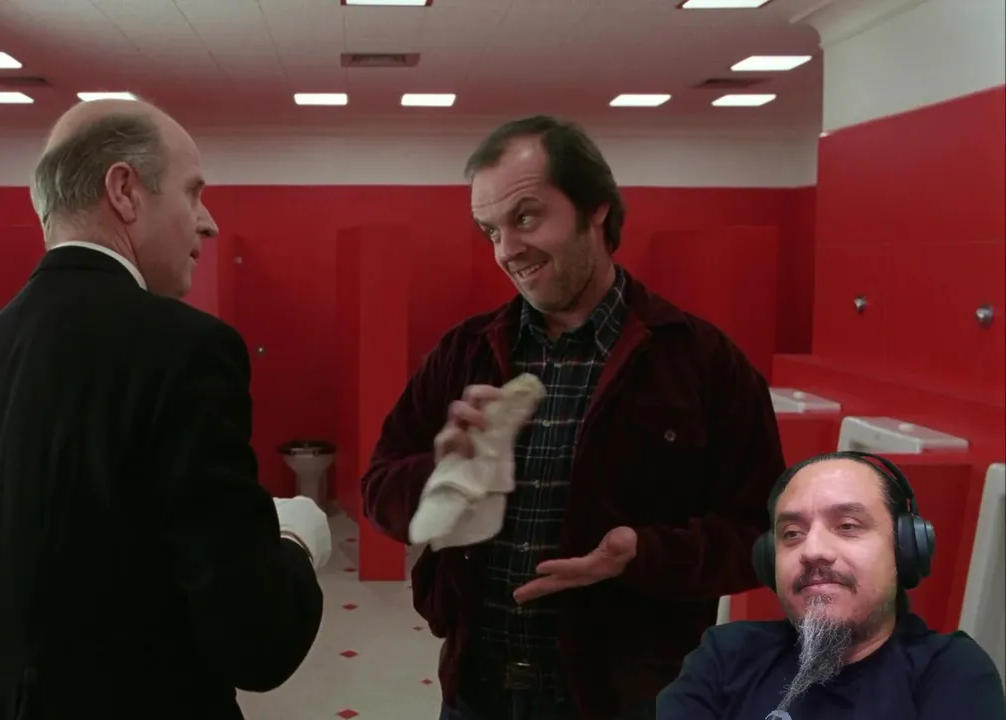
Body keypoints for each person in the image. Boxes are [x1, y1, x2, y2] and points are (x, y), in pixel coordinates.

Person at [0, 98, 331, 720]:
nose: (208, 223)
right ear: (125, 191)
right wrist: (296, 540)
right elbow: (258, 642)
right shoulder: (186, 352)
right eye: (193, 192)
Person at [360, 115, 786, 720]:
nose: (506, 249)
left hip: (630, 697)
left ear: (596, 209)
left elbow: (764, 534)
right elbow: (377, 486)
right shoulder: (465, 351)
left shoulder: (700, 361)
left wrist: (642, 553)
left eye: (526, 217)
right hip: (478, 689)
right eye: (491, 230)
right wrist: (440, 475)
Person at [657, 451, 1006, 719]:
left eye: (847, 526)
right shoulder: (726, 656)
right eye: (792, 533)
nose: (813, 551)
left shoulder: (950, 673)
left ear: (903, 549)